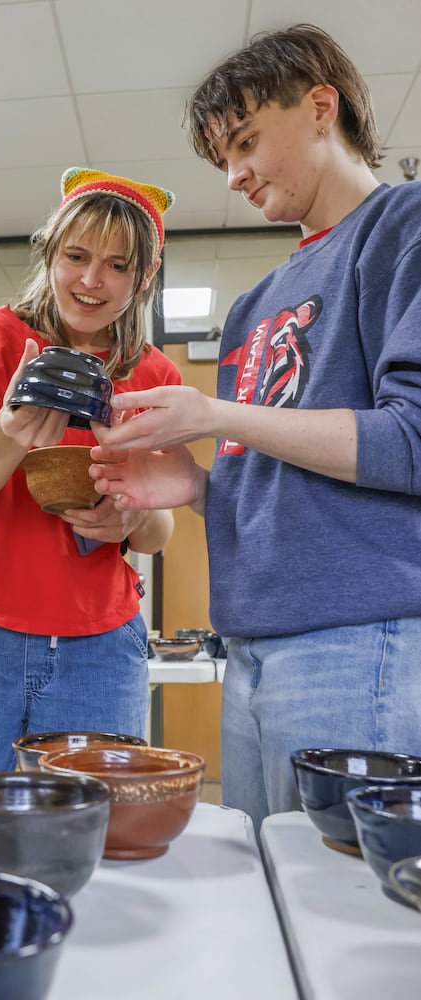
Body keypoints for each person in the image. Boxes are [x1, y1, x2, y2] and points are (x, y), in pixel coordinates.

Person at [89, 24, 421, 836]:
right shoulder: (254, 303)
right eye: (220, 158)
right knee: (269, 895)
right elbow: (277, 469)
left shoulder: (400, 227)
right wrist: (198, 486)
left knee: (342, 918)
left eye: (244, 142)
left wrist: (211, 413)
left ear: (318, 108)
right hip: (245, 646)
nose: (233, 175)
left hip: (357, 638)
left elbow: (409, 444)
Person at [0, 167, 181, 789]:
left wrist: (132, 514)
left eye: (117, 265)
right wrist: (11, 426)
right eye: (76, 256)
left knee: (93, 831)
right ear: (51, 254)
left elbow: (158, 534)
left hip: (102, 647)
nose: (91, 280)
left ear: (142, 279)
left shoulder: (155, 372)